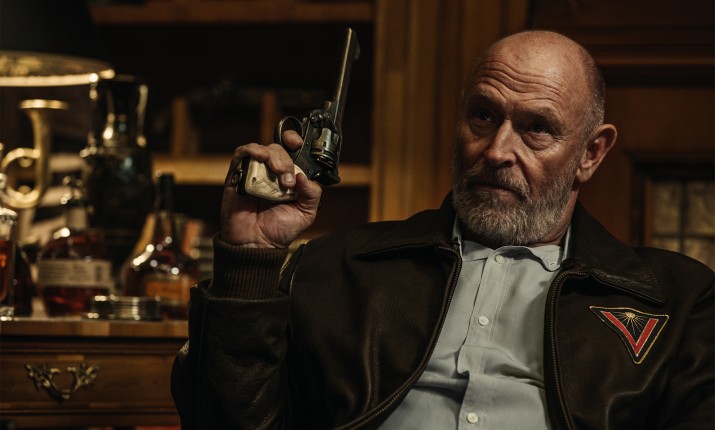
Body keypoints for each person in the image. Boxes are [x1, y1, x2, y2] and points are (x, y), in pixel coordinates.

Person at [171, 30, 714, 429]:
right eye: (483, 116)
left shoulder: (681, 303)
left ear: (591, 154)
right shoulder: (334, 269)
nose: (497, 151)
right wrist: (249, 256)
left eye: (536, 128)